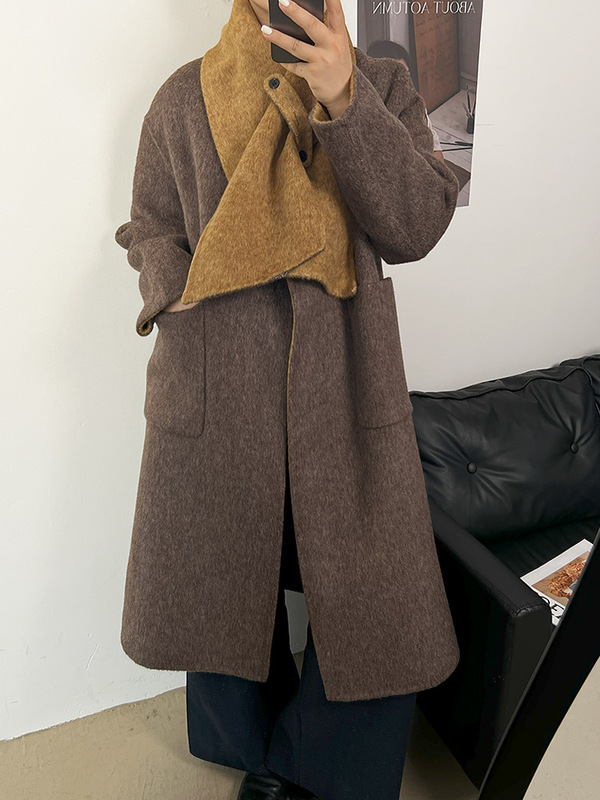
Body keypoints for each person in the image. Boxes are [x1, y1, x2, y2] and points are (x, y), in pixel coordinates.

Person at [114, 1, 461, 798]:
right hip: (219, 371)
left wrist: (345, 101)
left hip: (345, 372)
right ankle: (247, 747)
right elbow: (150, 224)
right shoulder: (183, 96)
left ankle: (314, 767)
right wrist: (175, 292)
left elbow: (418, 225)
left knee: (378, 594)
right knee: (224, 572)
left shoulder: (382, 85)